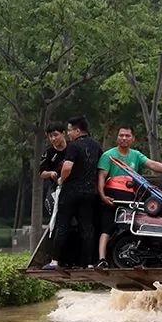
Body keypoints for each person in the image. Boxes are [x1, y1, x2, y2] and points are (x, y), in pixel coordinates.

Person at [95, 126, 162, 268]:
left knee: (139, 223)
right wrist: (103, 195)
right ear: (117, 137)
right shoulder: (108, 155)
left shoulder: (136, 155)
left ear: (133, 138)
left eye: (127, 136)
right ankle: (101, 259)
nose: (124, 138)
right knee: (106, 226)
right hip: (112, 197)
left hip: (131, 197)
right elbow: (101, 177)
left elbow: (152, 164)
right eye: (121, 135)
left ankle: (140, 254)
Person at [42, 116, 102, 270]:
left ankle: (55, 261)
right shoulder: (96, 145)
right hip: (90, 192)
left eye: (69, 130)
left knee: (62, 225)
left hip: (71, 191)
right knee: (87, 227)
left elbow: (67, 167)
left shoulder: (74, 146)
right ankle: (88, 263)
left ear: (77, 130)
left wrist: (62, 179)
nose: (68, 134)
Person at [38, 121, 68, 216]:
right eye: (50, 136)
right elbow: (41, 172)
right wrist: (50, 173)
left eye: (56, 135)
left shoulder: (73, 147)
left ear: (63, 133)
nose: (53, 138)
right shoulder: (48, 152)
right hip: (56, 187)